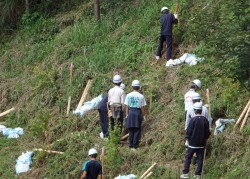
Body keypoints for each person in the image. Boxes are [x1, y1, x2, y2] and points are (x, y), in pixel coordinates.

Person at [181, 102, 210, 179]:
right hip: (201, 144)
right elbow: (207, 132)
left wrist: (187, 140)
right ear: (201, 110)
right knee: (200, 159)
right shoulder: (205, 120)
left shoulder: (193, 120)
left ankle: (185, 173)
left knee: (188, 157)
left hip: (192, 143)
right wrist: (206, 140)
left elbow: (189, 131)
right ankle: (197, 174)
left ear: (194, 110)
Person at [124, 80, 147, 149]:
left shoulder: (128, 95)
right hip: (137, 112)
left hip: (130, 112)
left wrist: (127, 114)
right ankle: (135, 145)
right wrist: (144, 115)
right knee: (137, 129)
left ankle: (130, 145)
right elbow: (143, 107)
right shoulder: (141, 96)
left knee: (131, 129)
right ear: (139, 87)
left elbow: (126, 106)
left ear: (132, 87)